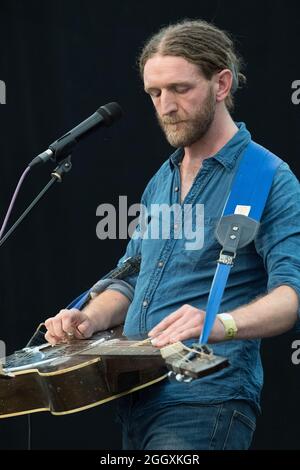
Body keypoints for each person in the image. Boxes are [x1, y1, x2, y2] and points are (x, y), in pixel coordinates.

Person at [44, 19, 300, 450]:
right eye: (155, 93)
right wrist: (91, 317)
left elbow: (291, 296)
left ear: (221, 84)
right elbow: (131, 279)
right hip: (135, 396)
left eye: (180, 89)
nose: (165, 105)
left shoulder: (268, 177)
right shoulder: (162, 180)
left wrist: (222, 323)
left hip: (206, 400)